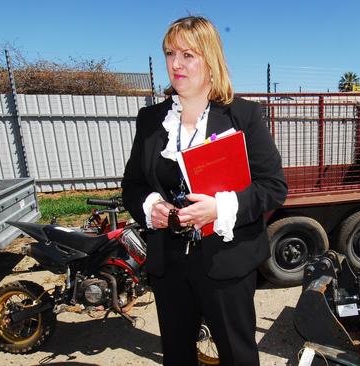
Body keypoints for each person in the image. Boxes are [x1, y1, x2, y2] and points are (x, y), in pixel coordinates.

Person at [121, 16, 287, 366]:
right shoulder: (150, 120)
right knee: (178, 356)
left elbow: (273, 187)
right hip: (169, 263)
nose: (175, 64)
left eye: (187, 55)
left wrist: (220, 208)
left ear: (210, 60)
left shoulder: (244, 115)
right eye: (169, 53)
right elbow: (133, 184)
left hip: (226, 261)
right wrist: (150, 205)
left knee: (237, 356)